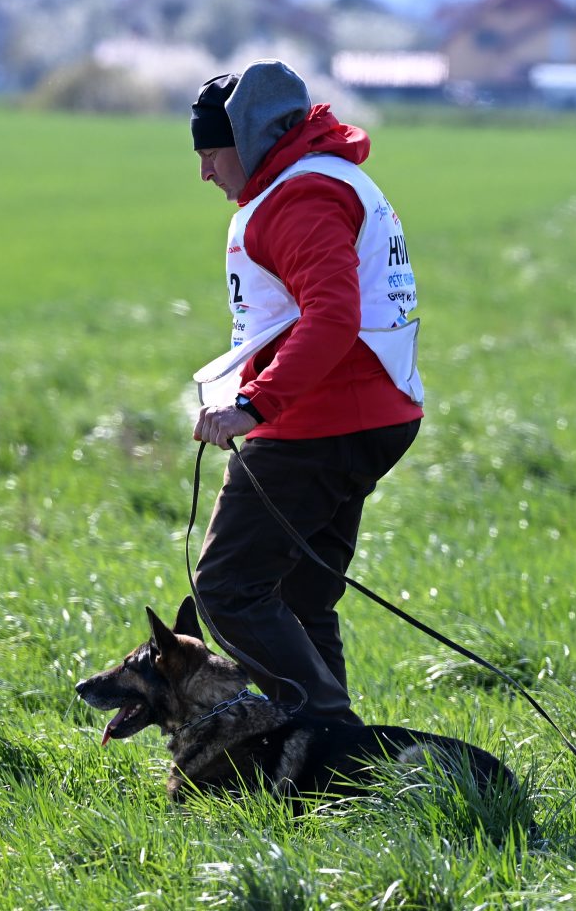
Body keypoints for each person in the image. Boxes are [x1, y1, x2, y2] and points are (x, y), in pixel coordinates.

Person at [189, 59, 423, 724]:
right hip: (362, 413)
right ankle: (344, 778)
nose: (205, 172)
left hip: (320, 421)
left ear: (250, 138)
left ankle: (329, 738)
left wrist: (252, 404)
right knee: (297, 600)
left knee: (228, 587)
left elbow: (331, 318)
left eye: (211, 153)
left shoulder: (300, 197)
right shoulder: (318, 177)